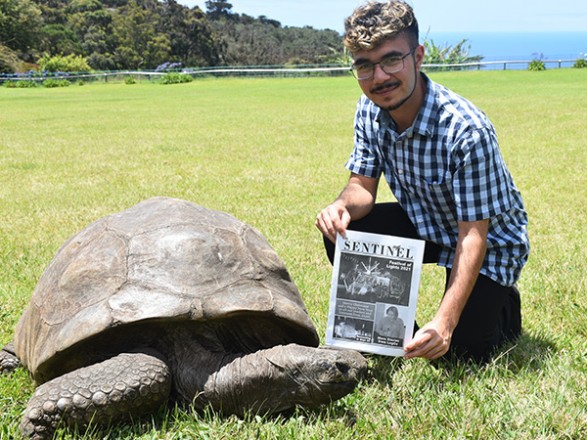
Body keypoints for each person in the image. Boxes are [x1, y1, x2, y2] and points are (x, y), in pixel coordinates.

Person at [315, 0, 530, 363]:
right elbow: (361, 189)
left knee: (462, 353)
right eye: (365, 65)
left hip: (488, 242)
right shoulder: (370, 109)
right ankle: (393, 336)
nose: (379, 77)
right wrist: (340, 207)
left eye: (391, 60)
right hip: (427, 222)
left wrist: (445, 322)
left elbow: (474, 234)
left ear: (418, 56)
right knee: (346, 229)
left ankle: (502, 303)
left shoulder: (466, 130)